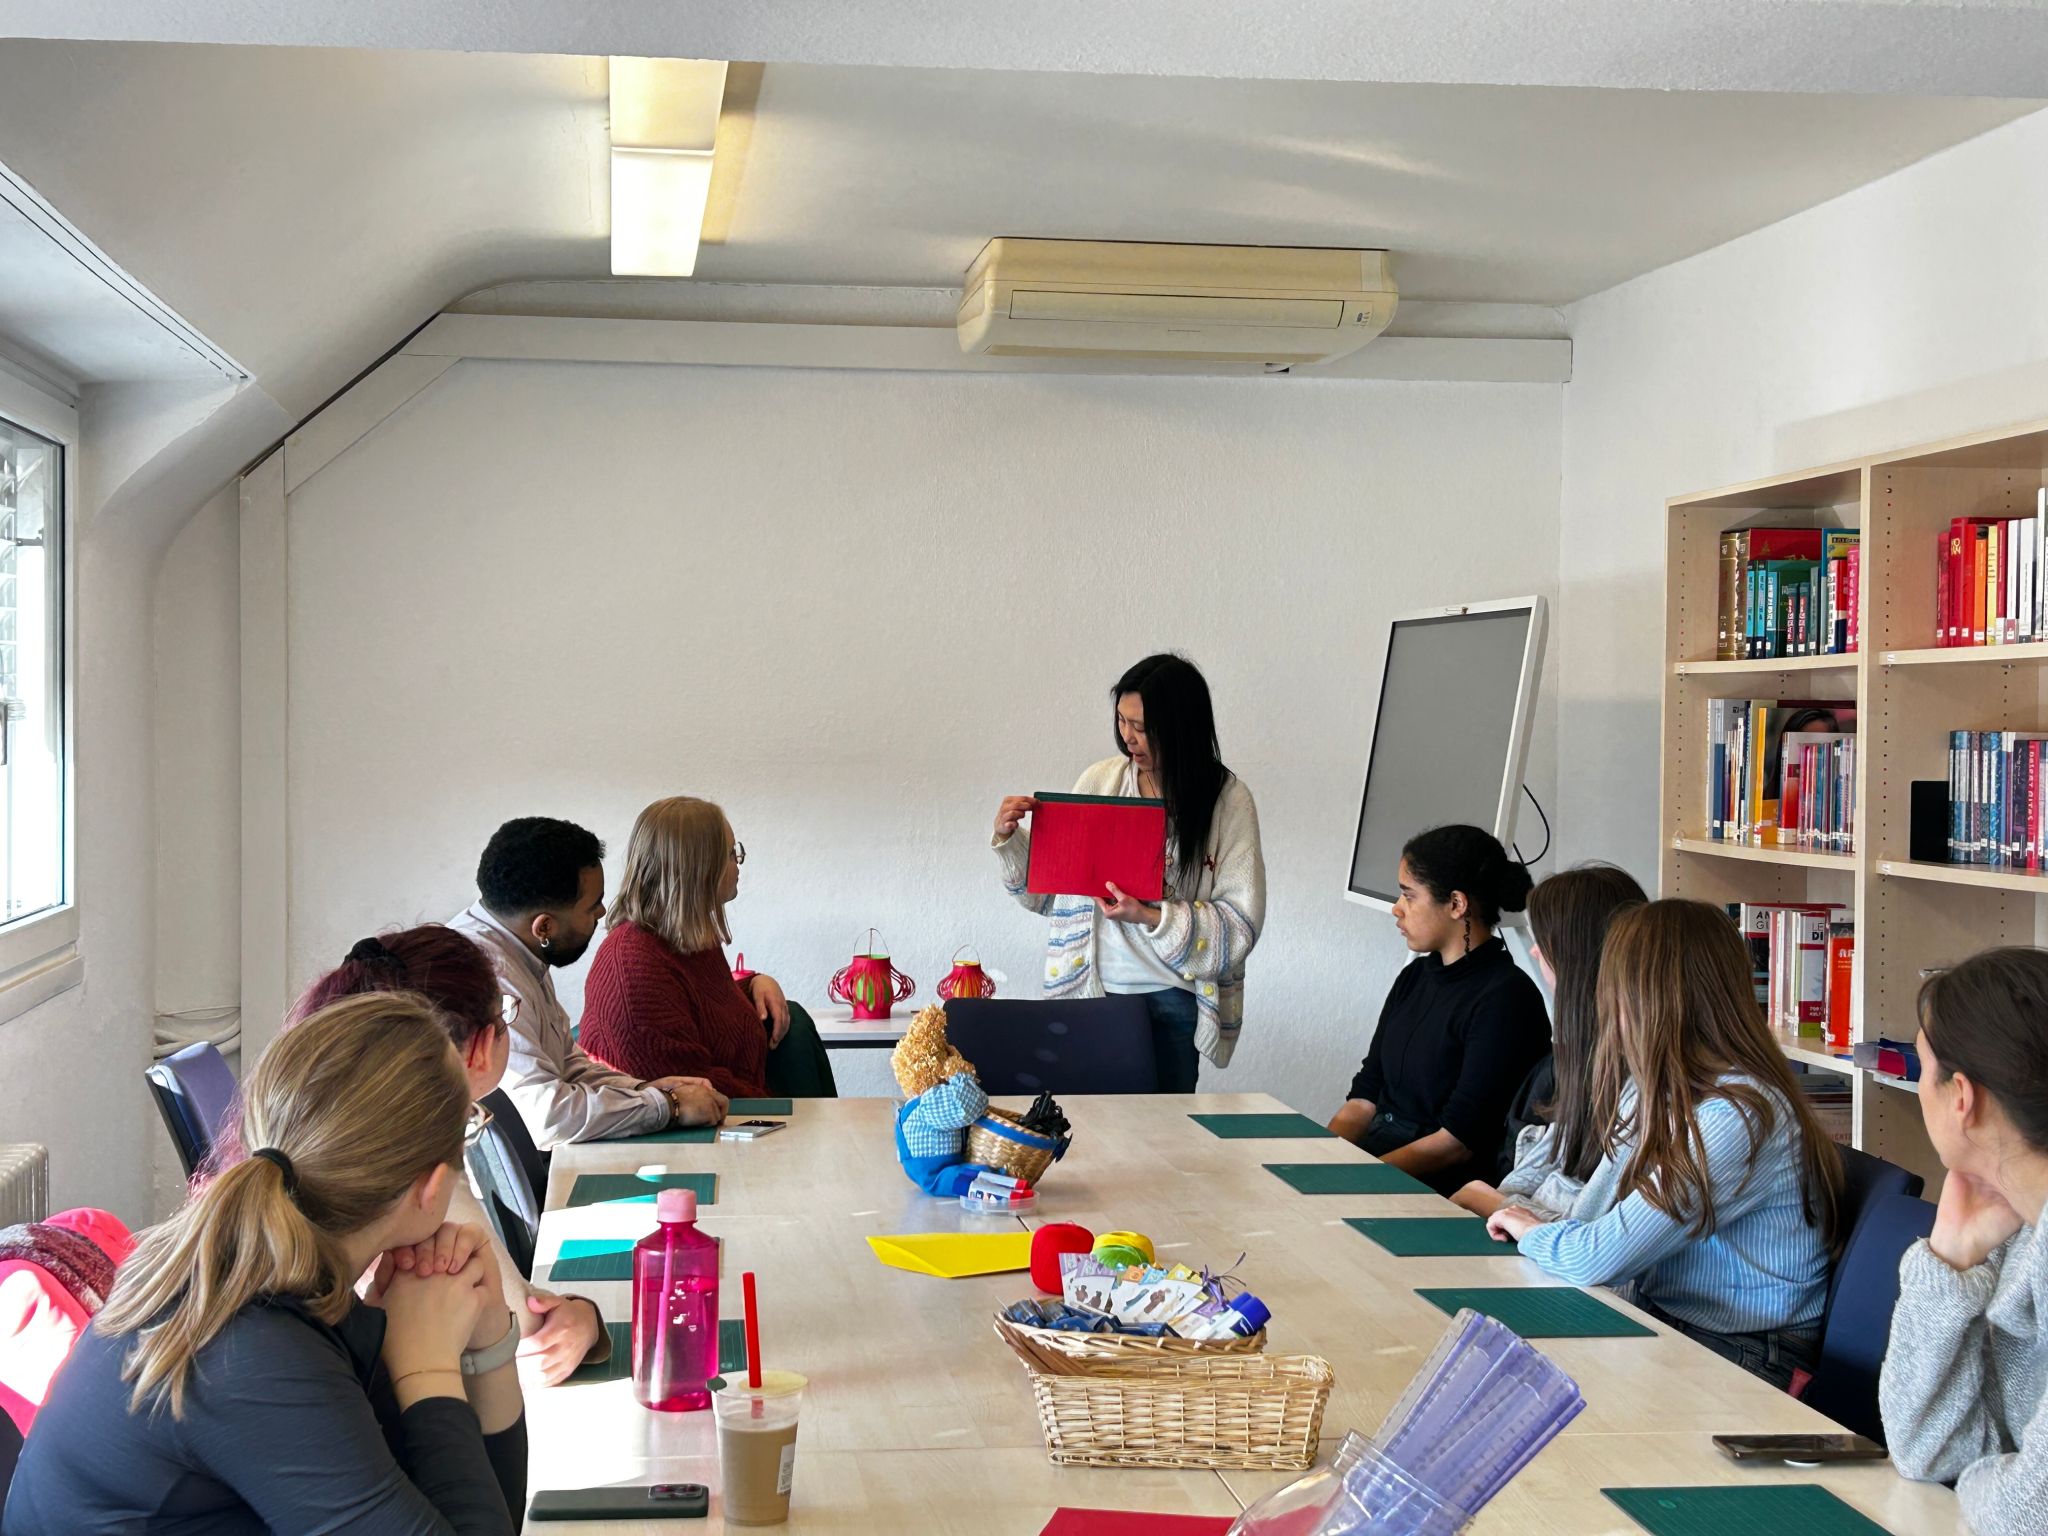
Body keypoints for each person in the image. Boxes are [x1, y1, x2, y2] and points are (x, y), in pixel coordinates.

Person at [3, 996, 526, 1535]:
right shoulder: (249, 1348)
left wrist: (487, 1338)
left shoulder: (277, 1282)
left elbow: (479, 1519)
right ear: (432, 1188)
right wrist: (428, 1369)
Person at [1486, 900, 1842, 1390]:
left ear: (1648, 999)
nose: (1607, 1009)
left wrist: (1528, 1227)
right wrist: (1539, 1227)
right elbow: (1593, 1222)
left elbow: (1595, 1258)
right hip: (1671, 1319)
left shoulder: (1738, 1115)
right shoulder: (1658, 1089)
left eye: (1614, 991)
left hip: (1747, 1351)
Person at [294, 926, 606, 1386]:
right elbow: (527, 1334)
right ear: (478, 1048)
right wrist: (585, 1317)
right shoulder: (420, 1185)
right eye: (505, 1014)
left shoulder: (317, 1145)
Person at [991, 653, 1266, 1092]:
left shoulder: (1228, 801)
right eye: (1122, 721)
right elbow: (1050, 898)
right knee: (1082, 1129)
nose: (1128, 737)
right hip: (1087, 995)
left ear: (1181, 728)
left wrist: (1151, 916)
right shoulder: (1101, 780)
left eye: (1142, 727)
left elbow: (1240, 925)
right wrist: (1012, 841)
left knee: (1161, 1131)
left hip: (1172, 999)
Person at [1880, 948, 2048, 1534]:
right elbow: (1926, 1451)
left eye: (1921, 1071)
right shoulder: (2015, 1225)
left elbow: (2027, 1514)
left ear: (1961, 1097)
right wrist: (1948, 1261)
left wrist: (1987, 1479)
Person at [449, 816, 727, 1148]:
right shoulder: (488, 975)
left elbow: (567, 1065)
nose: (601, 912)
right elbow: (543, 1117)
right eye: (592, 905)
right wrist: (668, 1107)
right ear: (544, 927)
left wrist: (643, 1090)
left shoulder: (518, 947)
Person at [1327, 825, 1549, 1195]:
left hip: (1438, 1188)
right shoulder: (1414, 976)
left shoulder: (1507, 999)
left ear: (1457, 904)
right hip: (1379, 1164)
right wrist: (1320, 1161)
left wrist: (1357, 1181)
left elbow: (1455, 1144)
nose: (1397, 908)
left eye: (1409, 896)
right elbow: (1365, 1096)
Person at [580, 797, 833, 1100]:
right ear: (699, 867)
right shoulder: (635, 968)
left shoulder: (686, 939)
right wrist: (786, 1111)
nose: (738, 862)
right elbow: (695, 1091)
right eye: (730, 853)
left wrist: (754, 983)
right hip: (703, 1122)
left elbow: (706, 1014)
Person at [1450, 863, 1647, 1218]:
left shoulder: (1639, 1081)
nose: (1535, 951)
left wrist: (1496, 1204)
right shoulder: (1581, 1058)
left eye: (1544, 941)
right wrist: (1497, 1201)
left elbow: (1591, 1229)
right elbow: (1534, 1172)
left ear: (1576, 955)